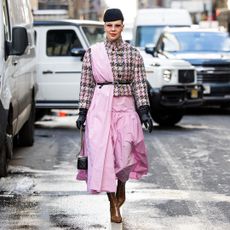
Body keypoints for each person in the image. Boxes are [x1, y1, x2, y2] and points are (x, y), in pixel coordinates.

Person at [76, 8, 153, 223]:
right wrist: (82, 111)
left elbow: (139, 84)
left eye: (117, 25)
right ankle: (113, 204)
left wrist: (144, 111)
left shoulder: (133, 54)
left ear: (122, 26)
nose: (113, 29)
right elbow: (86, 85)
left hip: (126, 109)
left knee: (125, 156)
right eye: (109, 25)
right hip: (100, 109)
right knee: (105, 157)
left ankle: (121, 186)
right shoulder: (92, 53)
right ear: (104, 26)